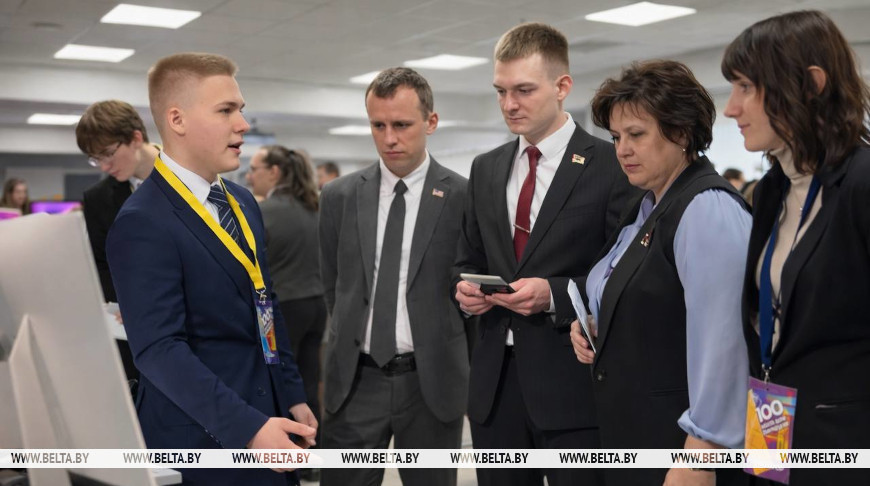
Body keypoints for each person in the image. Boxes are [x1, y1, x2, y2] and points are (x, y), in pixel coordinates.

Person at [106, 52, 315, 486]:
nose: (243, 124)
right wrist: (248, 428)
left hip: (269, 415)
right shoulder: (143, 220)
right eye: (226, 110)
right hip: (204, 438)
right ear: (177, 120)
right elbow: (159, 349)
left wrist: (290, 390)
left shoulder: (241, 202)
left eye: (241, 109)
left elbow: (265, 302)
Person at [452, 22, 636, 486]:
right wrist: (466, 291)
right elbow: (467, 259)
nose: (509, 104)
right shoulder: (486, 168)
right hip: (496, 390)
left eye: (524, 90)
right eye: (501, 91)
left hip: (573, 386)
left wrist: (553, 294)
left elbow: (625, 275)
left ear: (562, 86)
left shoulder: (611, 164)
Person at [571, 59, 751, 486]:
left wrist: (701, 455)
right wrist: (598, 323)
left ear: (681, 133)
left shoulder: (706, 209)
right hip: (636, 433)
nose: (622, 149)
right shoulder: (647, 204)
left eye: (636, 134)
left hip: (684, 447)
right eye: (616, 137)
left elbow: (724, 346)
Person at [723, 10, 870, 485]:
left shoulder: (861, 184)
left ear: (811, 85)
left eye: (746, 87)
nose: (730, 108)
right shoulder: (772, 189)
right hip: (771, 420)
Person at [319, 67, 468, 486]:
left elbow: (470, 293)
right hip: (356, 380)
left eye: (401, 125)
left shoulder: (463, 197)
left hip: (431, 382)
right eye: (378, 125)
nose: (389, 138)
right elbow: (334, 284)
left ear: (430, 122)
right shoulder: (338, 196)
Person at [246, 144, 326, 480]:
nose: (249, 177)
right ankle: (312, 455)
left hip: (283, 310)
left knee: (280, 382)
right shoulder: (313, 209)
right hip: (317, 306)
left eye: (255, 169)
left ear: (274, 172)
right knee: (308, 382)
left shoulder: (264, 212)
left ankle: (287, 455)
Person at [76, 100, 159, 303]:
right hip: (134, 313)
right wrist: (127, 302)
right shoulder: (97, 199)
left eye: (108, 154)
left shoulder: (193, 175)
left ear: (136, 138)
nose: (104, 167)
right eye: (96, 159)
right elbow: (102, 266)